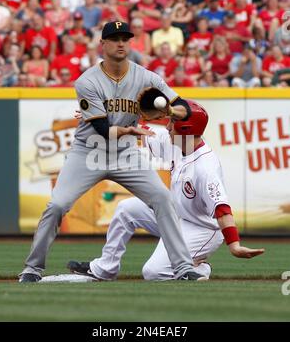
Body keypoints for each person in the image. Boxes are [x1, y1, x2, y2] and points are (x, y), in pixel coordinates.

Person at [18, 21, 204, 283]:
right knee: (57, 205)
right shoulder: (87, 81)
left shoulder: (147, 78)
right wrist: (130, 131)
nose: (121, 43)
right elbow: (103, 129)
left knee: (162, 198)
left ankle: (183, 268)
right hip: (88, 152)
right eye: (114, 38)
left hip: (127, 155)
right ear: (102, 44)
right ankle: (32, 268)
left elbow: (184, 106)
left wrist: (171, 111)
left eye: (125, 38)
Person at [67, 102, 265, 281]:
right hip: (176, 215)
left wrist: (234, 245)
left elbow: (222, 209)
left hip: (201, 229)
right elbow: (136, 130)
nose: (168, 127)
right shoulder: (177, 143)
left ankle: (200, 269)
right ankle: (105, 268)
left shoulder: (206, 168)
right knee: (126, 208)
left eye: (172, 123)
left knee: (154, 272)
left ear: (185, 129)